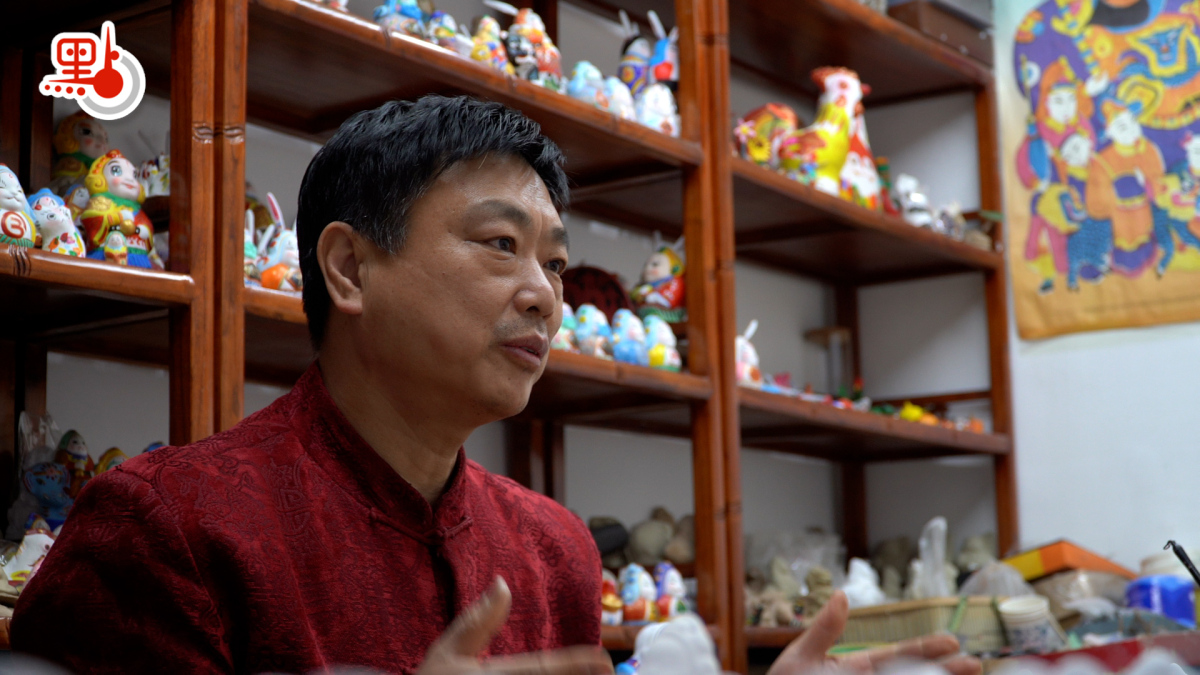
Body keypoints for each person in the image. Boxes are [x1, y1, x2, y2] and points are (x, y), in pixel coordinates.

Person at [12, 96, 982, 675]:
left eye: (554, 263)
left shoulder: (554, 550)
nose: (544, 294)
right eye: (499, 244)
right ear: (349, 269)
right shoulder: (170, 528)